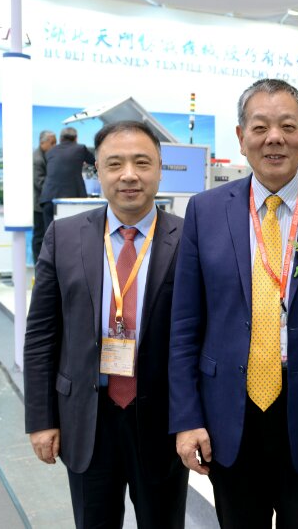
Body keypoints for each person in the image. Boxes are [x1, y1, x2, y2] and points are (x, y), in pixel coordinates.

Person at [168, 78, 298, 528]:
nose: (274, 138)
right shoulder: (204, 211)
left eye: (287, 126)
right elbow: (185, 325)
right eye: (260, 127)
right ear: (241, 138)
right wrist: (187, 418)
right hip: (227, 414)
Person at [23, 121, 188, 528]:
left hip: (163, 421)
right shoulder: (63, 236)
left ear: (160, 169)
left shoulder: (189, 238)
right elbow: (41, 335)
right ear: (96, 170)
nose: (129, 175)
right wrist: (41, 419)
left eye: (142, 163)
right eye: (115, 164)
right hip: (86, 417)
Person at [39, 126, 95, 232]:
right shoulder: (80, 149)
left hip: (48, 199)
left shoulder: (50, 152)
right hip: (71, 200)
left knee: (50, 235)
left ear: (60, 139)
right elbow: (95, 162)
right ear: (76, 138)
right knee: (73, 234)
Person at [32, 129, 56, 263]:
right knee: (40, 236)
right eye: (52, 143)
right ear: (43, 143)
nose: (54, 146)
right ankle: (38, 265)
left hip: (45, 202)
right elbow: (39, 182)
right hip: (39, 205)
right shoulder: (37, 159)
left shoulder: (46, 156)